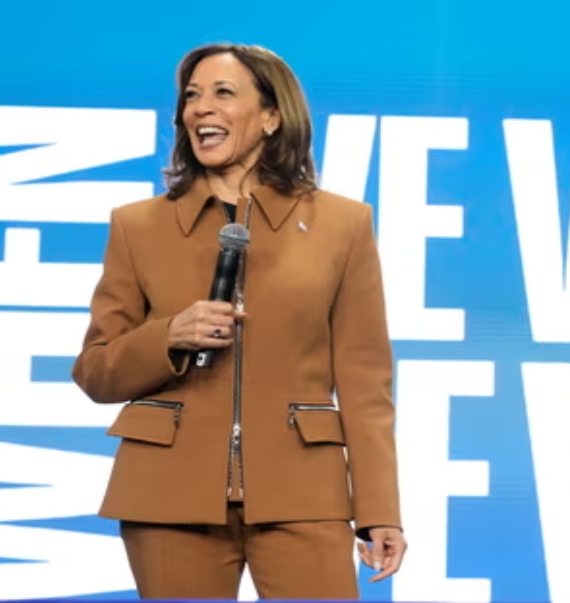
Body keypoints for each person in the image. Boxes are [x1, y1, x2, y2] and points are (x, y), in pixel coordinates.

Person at [72, 43, 406, 599]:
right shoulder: (138, 226)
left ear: (272, 117)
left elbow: (366, 383)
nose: (200, 109)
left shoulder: (343, 225)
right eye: (191, 97)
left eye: (223, 93)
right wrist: (168, 337)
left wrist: (378, 509)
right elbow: (96, 372)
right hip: (168, 495)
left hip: (303, 492)